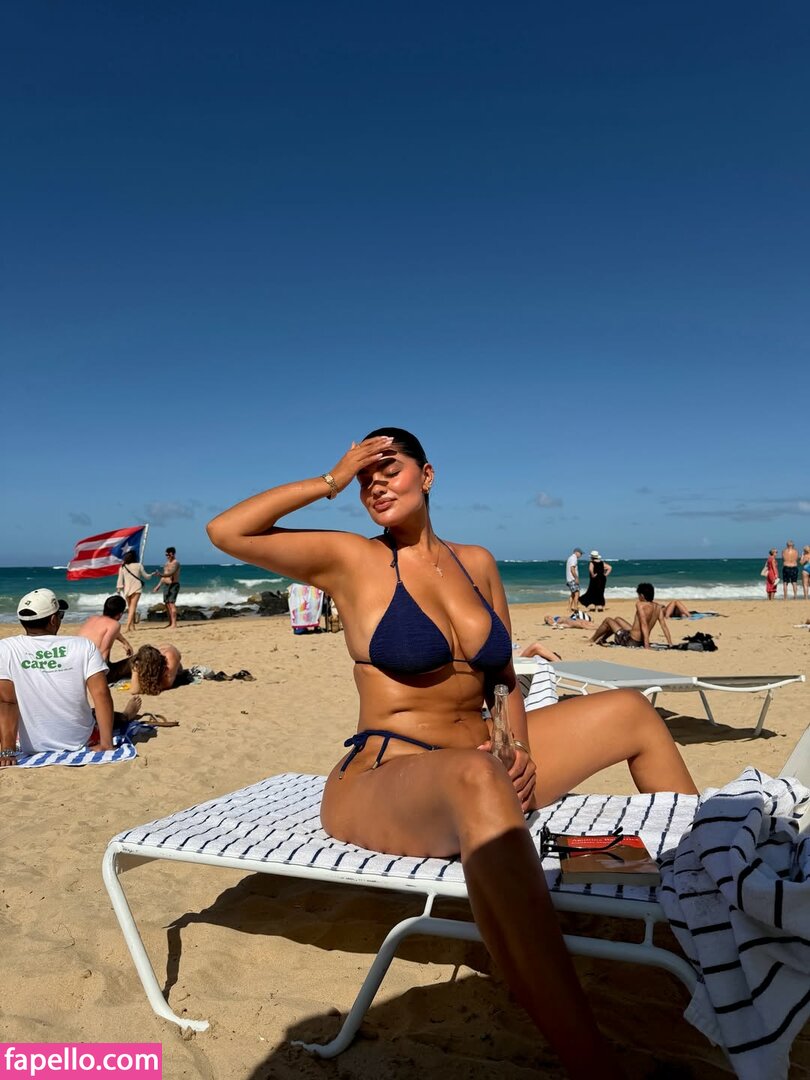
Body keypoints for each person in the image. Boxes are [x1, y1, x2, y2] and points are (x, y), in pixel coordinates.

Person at [206, 427, 697, 1076]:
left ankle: (701, 901)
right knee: (475, 776)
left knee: (631, 712)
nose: (375, 483)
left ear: (428, 475)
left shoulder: (478, 563)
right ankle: (591, 1061)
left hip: (483, 763)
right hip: (386, 775)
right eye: (364, 477)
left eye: (388, 467)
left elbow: (504, 679)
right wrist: (330, 479)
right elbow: (226, 531)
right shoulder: (352, 559)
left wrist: (519, 748)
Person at [0, 589, 141, 765]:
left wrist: (7, 751)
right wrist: (106, 744)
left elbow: (7, 702)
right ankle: (126, 715)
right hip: (80, 740)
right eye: (60, 615)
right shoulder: (83, 646)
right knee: (94, 713)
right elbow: (101, 694)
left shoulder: (6, 648)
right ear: (53, 620)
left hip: (30, 744)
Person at [590, 582, 673, 649]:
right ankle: (603, 639)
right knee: (617, 619)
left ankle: (592, 640)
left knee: (608, 620)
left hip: (630, 641)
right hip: (640, 639)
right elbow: (664, 626)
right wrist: (670, 643)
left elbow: (644, 624)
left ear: (642, 596)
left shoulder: (640, 605)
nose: (638, 597)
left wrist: (646, 645)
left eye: (638, 595)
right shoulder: (658, 607)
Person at [78, 595, 134, 682]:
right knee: (138, 660)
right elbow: (103, 651)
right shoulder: (114, 624)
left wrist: (125, 642)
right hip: (94, 674)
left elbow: (111, 632)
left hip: (77, 668)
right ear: (120, 614)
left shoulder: (92, 618)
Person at [116, 550, 157, 632]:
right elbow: (146, 576)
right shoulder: (139, 565)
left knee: (130, 608)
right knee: (132, 608)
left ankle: (132, 626)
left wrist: (119, 589)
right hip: (137, 588)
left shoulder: (123, 567)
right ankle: (128, 626)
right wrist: (152, 574)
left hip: (127, 589)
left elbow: (120, 580)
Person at [153, 546, 181, 628]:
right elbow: (164, 576)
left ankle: (174, 624)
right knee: (167, 604)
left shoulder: (176, 563)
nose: (167, 556)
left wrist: (160, 574)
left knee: (172, 604)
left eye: (168, 555)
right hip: (166, 585)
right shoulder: (166, 563)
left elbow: (171, 573)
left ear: (172, 554)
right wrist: (158, 586)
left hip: (173, 585)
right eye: (166, 555)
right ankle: (170, 622)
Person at [564, 548, 582, 613]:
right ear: (576, 552)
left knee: (573, 594)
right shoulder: (574, 558)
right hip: (572, 579)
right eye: (580, 553)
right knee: (577, 593)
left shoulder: (570, 558)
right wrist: (576, 578)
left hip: (569, 579)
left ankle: (569, 608)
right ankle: (576, 608)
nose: (581, 555)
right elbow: (572, 569)